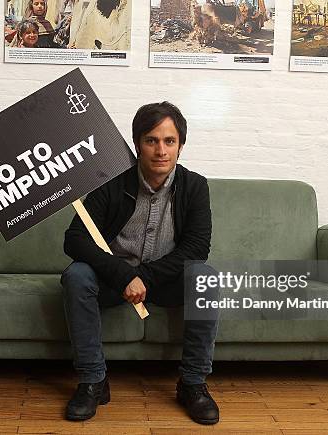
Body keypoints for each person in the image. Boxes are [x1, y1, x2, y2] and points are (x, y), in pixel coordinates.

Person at [61, 102, 221, 425]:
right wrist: (123, 275)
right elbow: (74, 239)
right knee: (76, 276)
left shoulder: (194, 186)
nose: (161, 150)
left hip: (164, 280)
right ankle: (93, 380)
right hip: (113, 280)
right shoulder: (111, 180)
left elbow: (196, 248)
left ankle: (192, 383)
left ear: (180, 145)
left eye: (169, 141)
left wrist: (143, 276)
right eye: (151, 140)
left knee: (206, 277)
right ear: (137, 144)